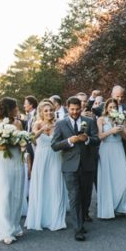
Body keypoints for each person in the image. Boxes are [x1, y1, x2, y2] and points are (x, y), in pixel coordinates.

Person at [52, 96, 99, 241]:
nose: (75, 112)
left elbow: (97, 140)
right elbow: (54, 145)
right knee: (74, 196)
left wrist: (88, 139)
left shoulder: (89, 122)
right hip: (70, 166)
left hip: (87, 165)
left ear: (81, 108)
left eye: (77, 109)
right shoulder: (61, 124)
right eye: (72, 109)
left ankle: (82, 219)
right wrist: (69, 141)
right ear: (68, 108)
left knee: (85, 197)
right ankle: (78, 229)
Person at [0, 97, 26, 245]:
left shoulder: (18, 123)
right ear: (9, 108)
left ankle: (15, 226)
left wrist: (23, 144)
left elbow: (23, 141)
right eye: (15, 107)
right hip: (1, 161)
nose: (17, 109)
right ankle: (5, 230)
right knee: (4, 194)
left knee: (17, 193)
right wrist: (2, 146)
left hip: (16, 159)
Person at [25, 101, 67, 231]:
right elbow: (31, 138)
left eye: (51, 110)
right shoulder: (37, 124)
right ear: (41, 112)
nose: (49, 113)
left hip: (55, 157)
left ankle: (55, 218)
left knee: (55, 185)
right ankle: (41, 218)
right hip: (41, 158)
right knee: (42, 186)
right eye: (46, 111)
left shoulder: (59, 124)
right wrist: (42, 129)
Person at [95, 97, 126, 219]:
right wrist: (111, 130)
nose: (112, 109)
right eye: (110, 107)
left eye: (115, 107)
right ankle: (109, 208)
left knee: (124, 178)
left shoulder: (121, 119)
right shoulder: (101, 119)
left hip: (118, 149)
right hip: (106, 149)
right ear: (106, 108)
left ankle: (125, 207)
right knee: (108, 179)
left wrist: (121, 131)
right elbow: (100, 136)